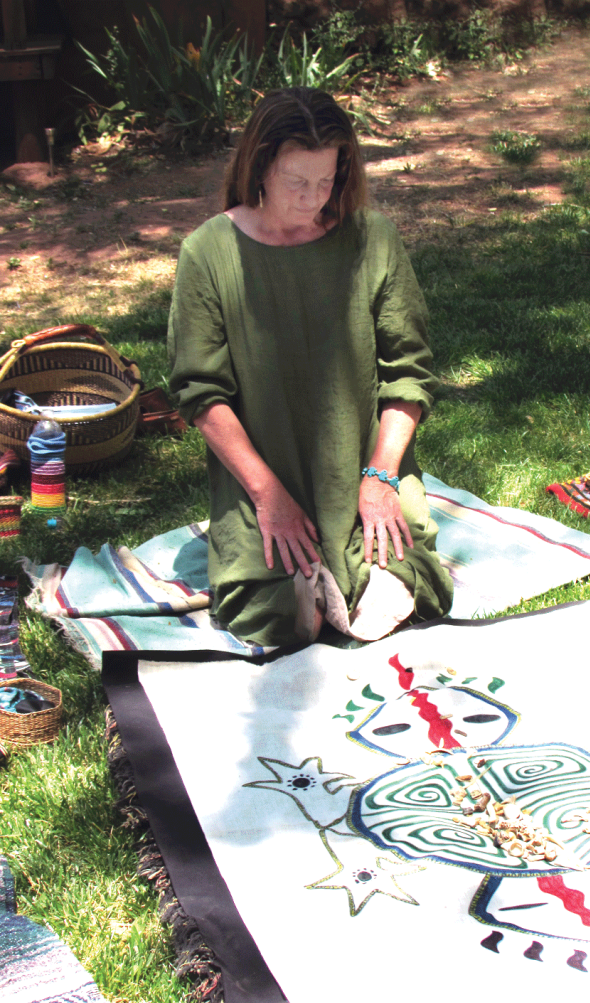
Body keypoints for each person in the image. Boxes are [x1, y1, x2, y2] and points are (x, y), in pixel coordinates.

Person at [168, 87, 453, 647]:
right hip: (264, 469)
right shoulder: (207, 252)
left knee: (407, 580)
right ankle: (301, 578)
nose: (313, 198)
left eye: (326, 181)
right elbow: (201, 394)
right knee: (274, 613)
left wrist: (380, 477)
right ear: (260, 167)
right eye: (297, 181)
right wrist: (268, 496)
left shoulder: (371, 239)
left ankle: (356, 567)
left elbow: (409, 373)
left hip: (362, 460)